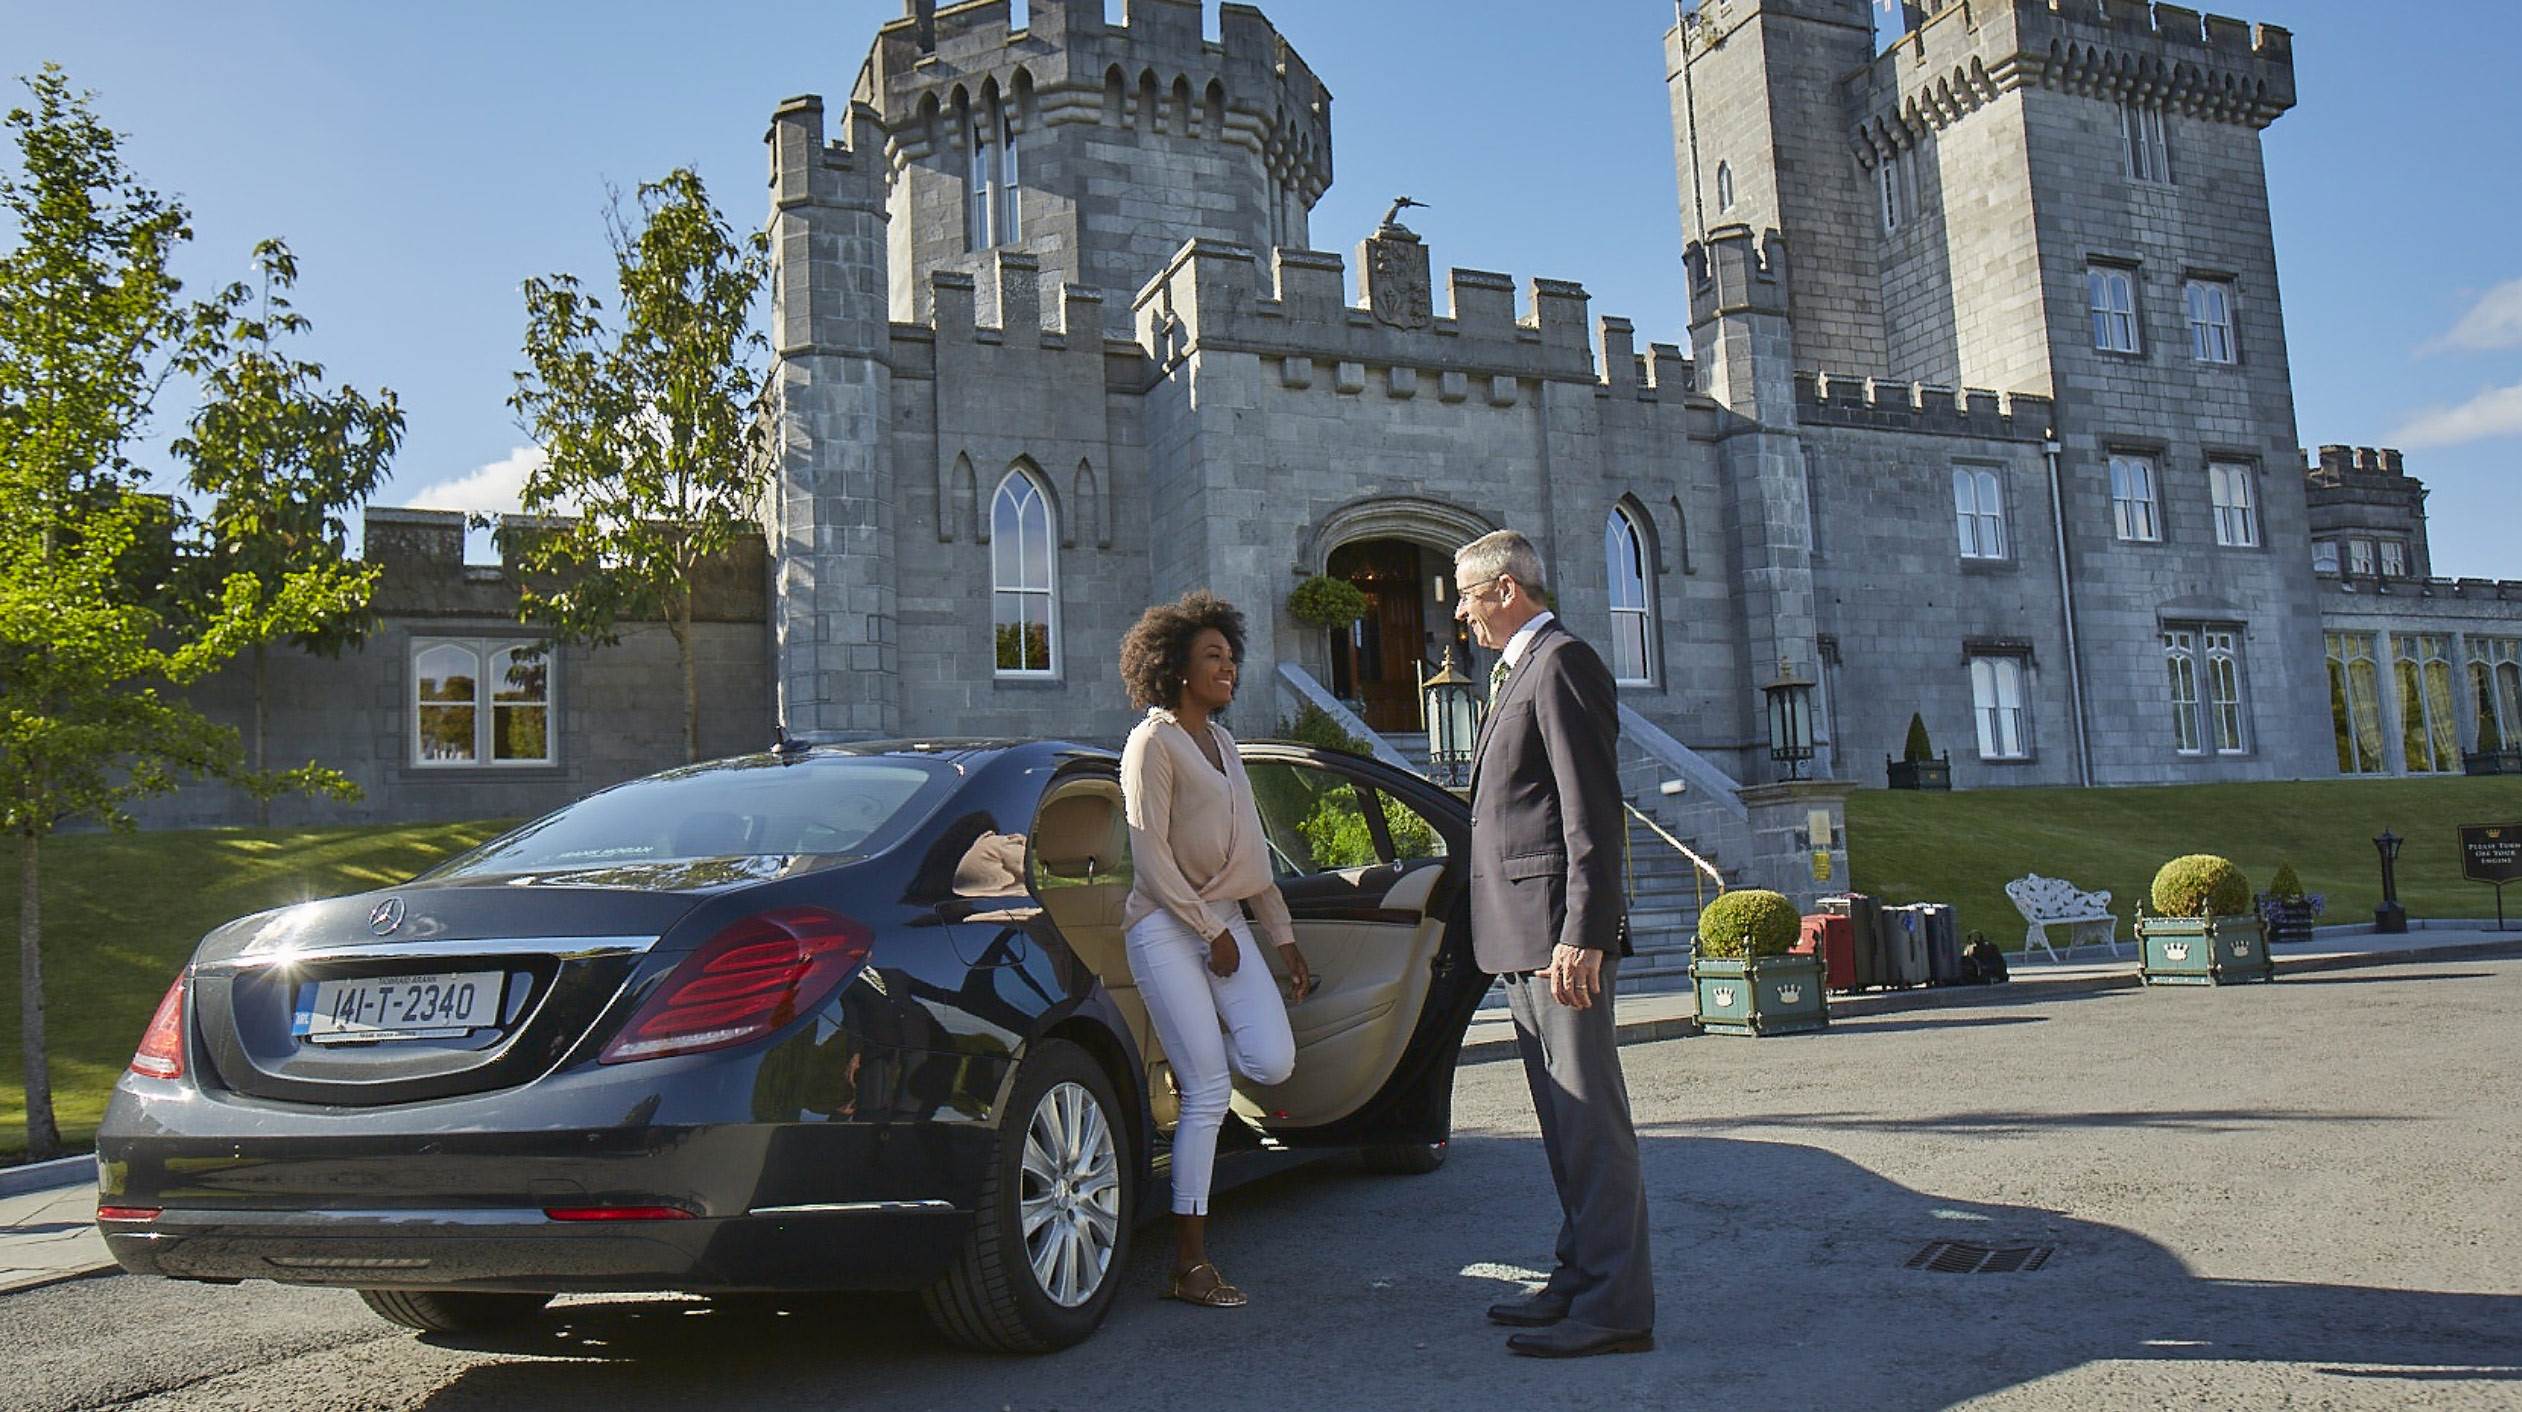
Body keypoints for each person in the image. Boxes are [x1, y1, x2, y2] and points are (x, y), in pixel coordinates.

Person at [1451, 528, 1655, 1357]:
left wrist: (1586, 932)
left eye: (1468, 597)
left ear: (1505, 591)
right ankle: (1579, 1276)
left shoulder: (1562, 662)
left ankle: (1616, 1306)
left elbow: (1591, 811)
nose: (1462, 616)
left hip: (1557, 936)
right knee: (1563, 1122)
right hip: (1521, 936)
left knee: (1592, 1125)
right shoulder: (1517, 672)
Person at [1117, 589, 1315, 1308]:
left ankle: (1187, 1051)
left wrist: (1282, 936)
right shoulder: (1152, 743)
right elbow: (1150, 861)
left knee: (1272, 1057)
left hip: (1225, 923)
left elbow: (1252, 852)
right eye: (1212, 657)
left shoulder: (1225, 742)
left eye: (1230, 656)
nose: (1227, 667)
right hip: (1166, 926)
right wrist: (1208, 932)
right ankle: (1190, 1264)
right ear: (1173, 668)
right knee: (1206, 1094)